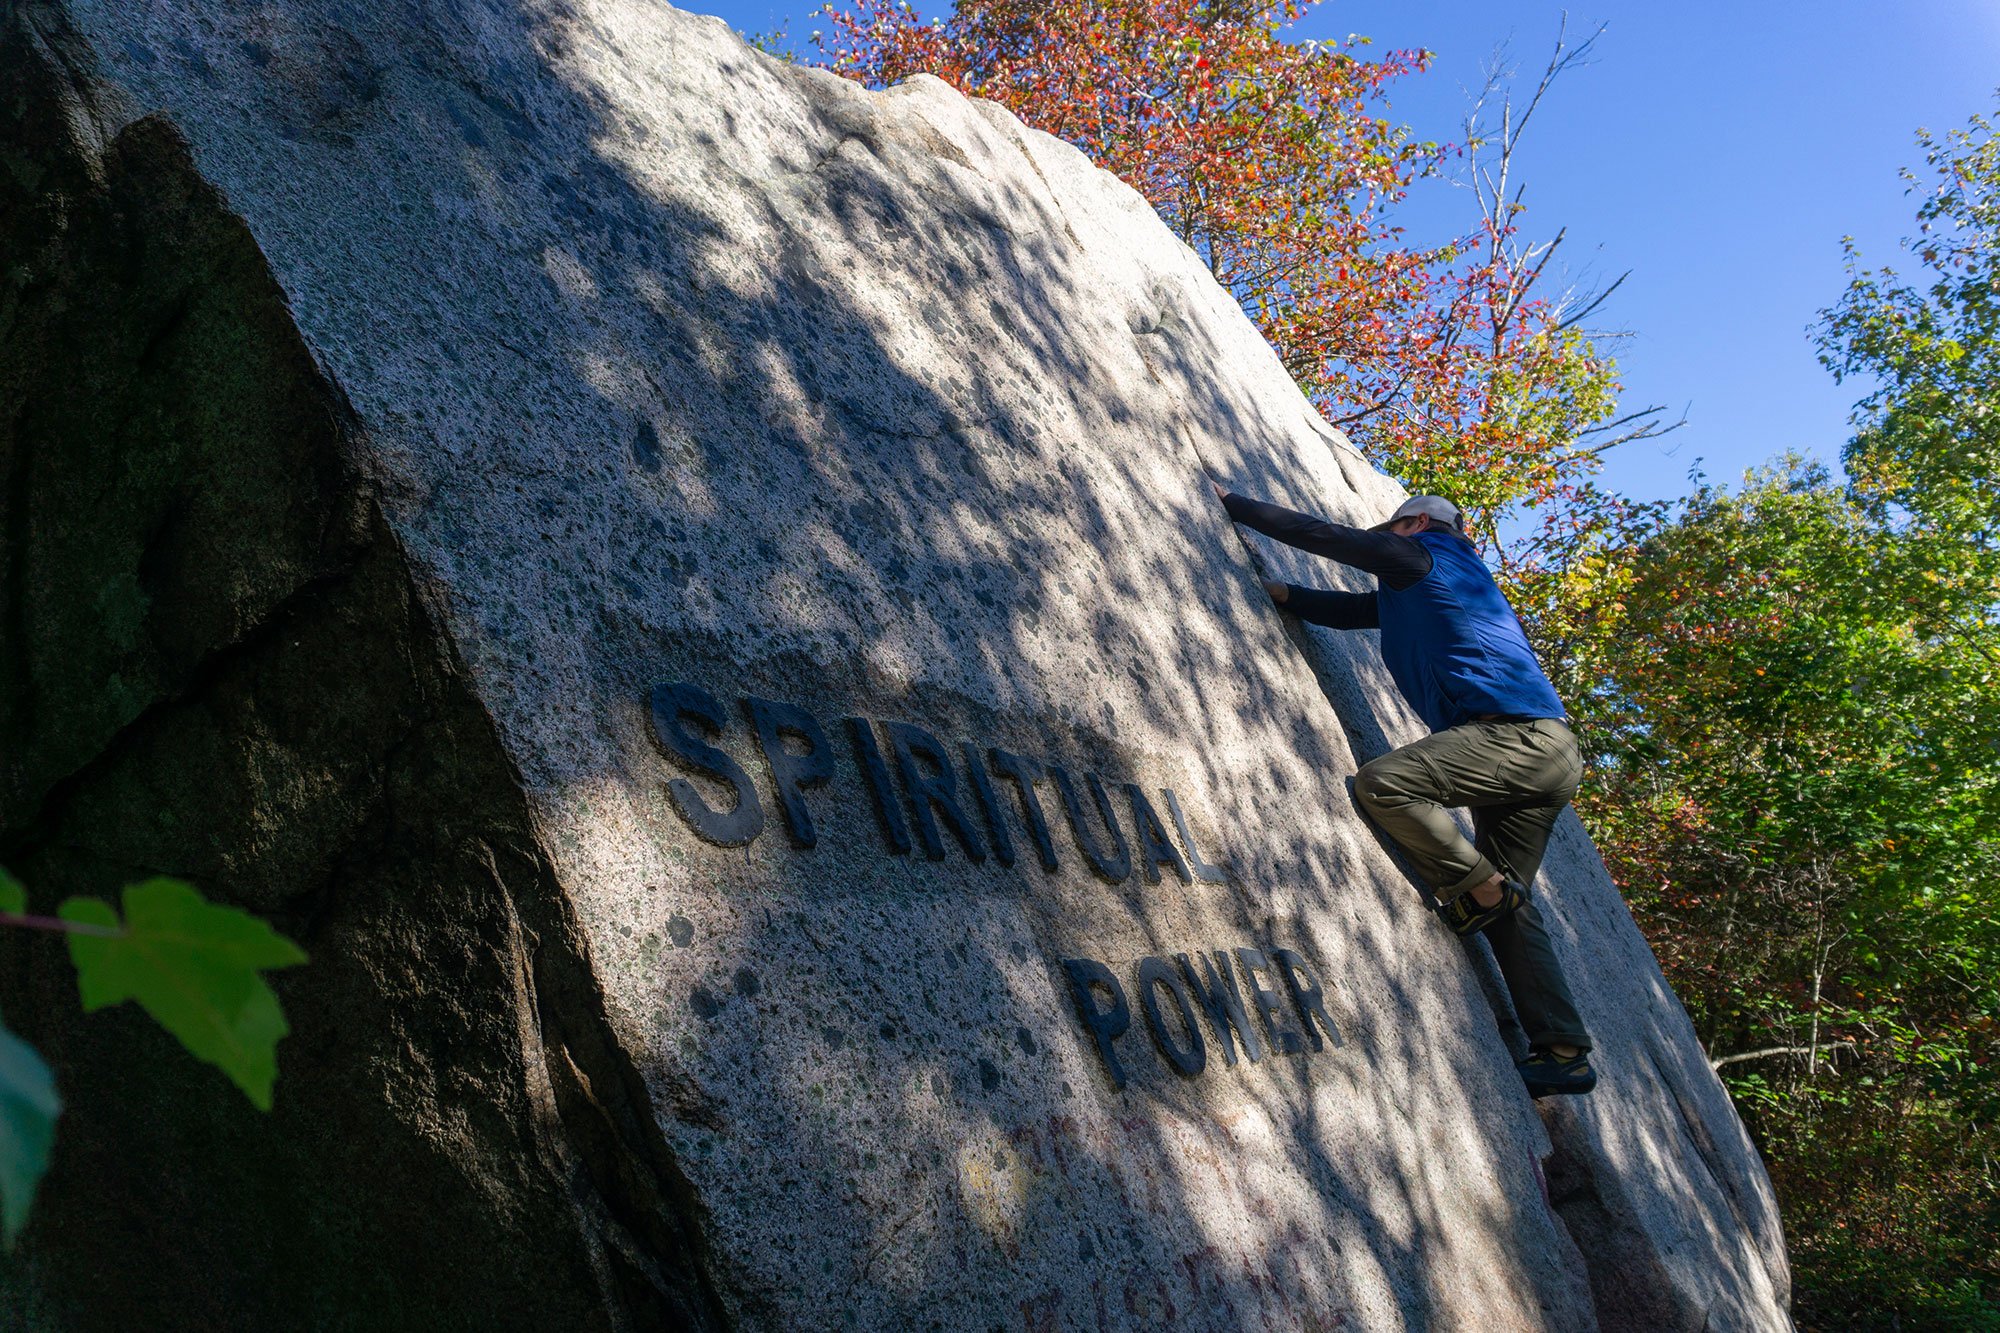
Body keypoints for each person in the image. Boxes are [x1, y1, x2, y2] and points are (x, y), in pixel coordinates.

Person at [1215, 482, 1596, 1097]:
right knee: (1506, 904)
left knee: (1387, 784)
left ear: (1413, 525)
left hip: (1513, 740)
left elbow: (1326, 537)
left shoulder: (1424, 557)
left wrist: (1234, 502)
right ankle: (1563, 1052)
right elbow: (1356, 610)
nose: (1383, 539)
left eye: (1389, 529)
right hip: (1547, 752)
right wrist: (1282, 595)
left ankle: (1481, 887)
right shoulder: (1452, 584)